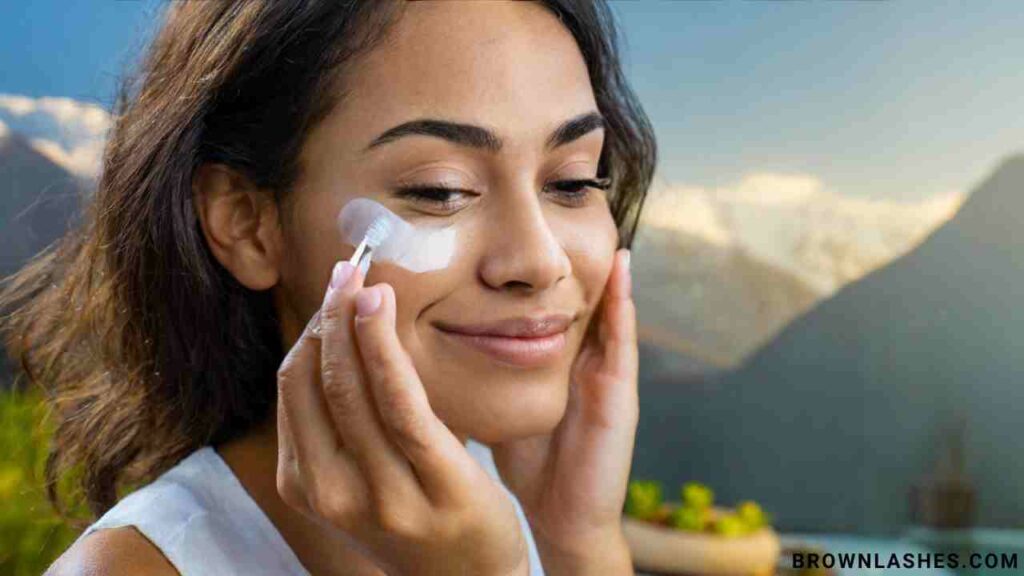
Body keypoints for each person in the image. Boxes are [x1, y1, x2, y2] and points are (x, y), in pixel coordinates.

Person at [1, 1, 656, 574]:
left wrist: (578, 543)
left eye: (572, 181)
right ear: (248, 224)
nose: (541, 262)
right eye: (441, 190)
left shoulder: (524, 517)